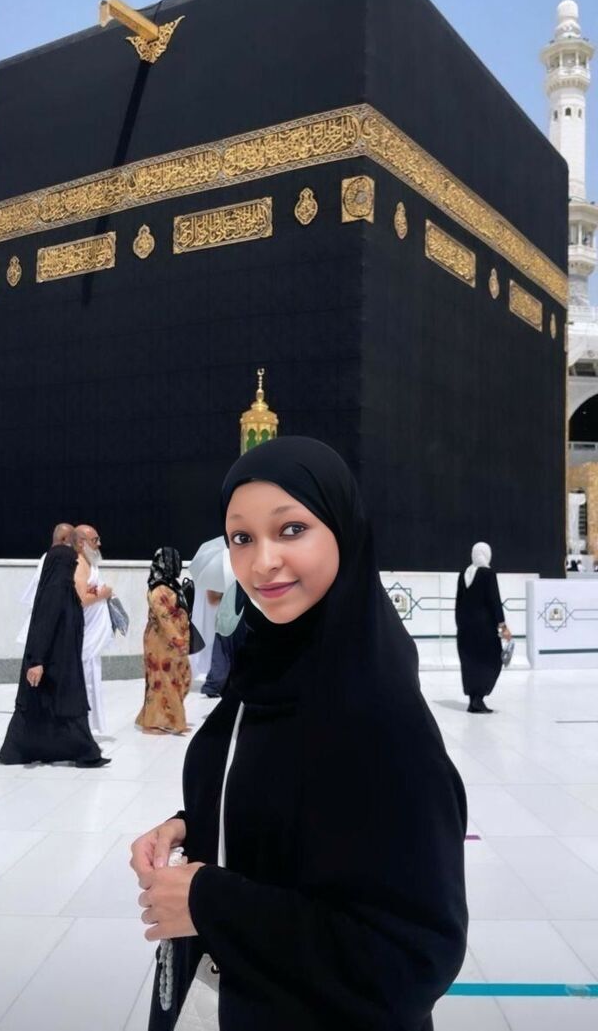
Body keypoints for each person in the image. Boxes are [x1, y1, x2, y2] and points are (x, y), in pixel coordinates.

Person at [131, 436, 468, 1031]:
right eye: (242, 538)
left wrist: (210, 904)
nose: (262, 561)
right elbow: (286, 795)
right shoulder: (268, 666)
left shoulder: (380, 713)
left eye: (291, 530)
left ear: (342, 529)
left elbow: (410, 959)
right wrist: (193, 822)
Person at [0, 543, 110, 767]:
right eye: (71, 564)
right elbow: (42, 628)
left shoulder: (65, 590)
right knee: (63, 707)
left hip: (63, 661)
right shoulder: (55, 591)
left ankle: (79, 752)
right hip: (52, 663)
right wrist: (37, 662)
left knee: (56, 708)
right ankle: (86, 753)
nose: (74, 568)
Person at [135, 548, 192, 735]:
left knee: (179, 678)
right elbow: (164, 618)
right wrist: (178, 639)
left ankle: (171, 718)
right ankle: (152, 723)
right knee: (161, 681)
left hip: (173, 642)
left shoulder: (171, 584)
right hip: (161, 642)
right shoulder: (159, 588)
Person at [455, 541, 512, 714]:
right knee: (492, 661)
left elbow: (459, 603)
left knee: (470, 663)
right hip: (484, 629)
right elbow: (495, 601)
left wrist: (461, 625)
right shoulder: (488, 574)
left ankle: (474, 700)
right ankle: (478, 699)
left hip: (465, 629)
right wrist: (503, 627)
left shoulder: (464, 574)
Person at [73, 524, 113, 735]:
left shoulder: (90, 563)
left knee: (92, 680)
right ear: (81, 543)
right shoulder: (79, 564)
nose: (99, 544)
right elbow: (81, 599)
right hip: (85, 636)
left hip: (92, 637)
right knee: (86, 681)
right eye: (94, 540)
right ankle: (82, 728)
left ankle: (89, 727)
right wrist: (102, 594)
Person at [15, 523, 74, 647]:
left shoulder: (51, 557)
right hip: (49, 620)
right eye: (72, 539)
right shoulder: (56, 559)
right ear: (64, 539)